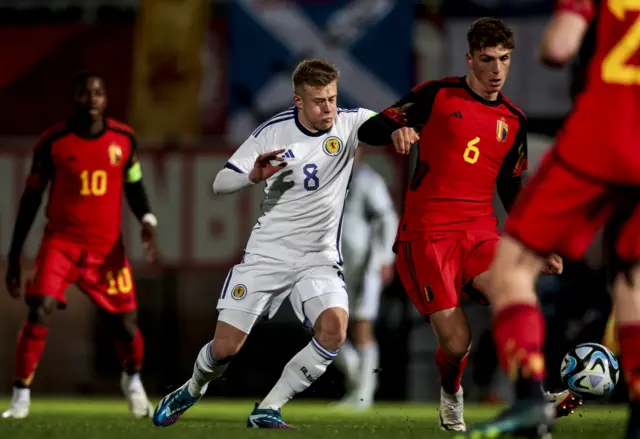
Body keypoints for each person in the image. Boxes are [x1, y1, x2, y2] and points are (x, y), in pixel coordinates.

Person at [357, 17, 576, 432]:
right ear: (470, 58)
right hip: (426, 236)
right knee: (457, 345)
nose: (497, 70)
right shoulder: (437, 95)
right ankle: (451, 394)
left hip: (479, 233)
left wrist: (538, 242)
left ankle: (533, 392)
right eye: (487, 59)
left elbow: (512, 188)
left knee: (517, 293)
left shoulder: (514, 120)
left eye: (505, 60)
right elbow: (371, 129)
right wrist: (399, 130)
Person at [152, 58, 376, 429]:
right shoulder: (272, 133)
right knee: (225, 349)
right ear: (298, 101)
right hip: (267, 255)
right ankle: (191, 390)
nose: (328, 109)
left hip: (318, 259)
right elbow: (220, 182)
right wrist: (253, 174)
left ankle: (268, 407)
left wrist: (401, 130)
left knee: (334, 331)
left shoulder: (350, 122)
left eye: (332, 99)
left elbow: (388, 122)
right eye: (319, 101)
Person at [460, 1, 640, 437]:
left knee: (511, 269)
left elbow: (559, 47)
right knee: (632, 280)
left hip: (601, 135)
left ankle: (528, 399)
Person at [2, 72, 158, 420]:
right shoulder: (53, 142)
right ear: (74, 98)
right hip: (61, 244)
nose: (92, 98)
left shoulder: (124, 139)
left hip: (106, 250)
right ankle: (20, 395)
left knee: (126, 326)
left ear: (106, 99)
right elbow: (30, 200)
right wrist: (14, 255)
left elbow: (133, 183)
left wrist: (147, 218)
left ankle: (132, 380)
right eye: (85, 93)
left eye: (98, 92)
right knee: (38, 306)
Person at [333, 148, 398, 410]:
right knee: (321, 322)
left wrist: (384, 258)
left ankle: (363, 393)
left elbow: (388, 218)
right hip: (332, 262)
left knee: (361, 326)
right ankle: (356, 375)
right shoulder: (326, 181)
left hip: (365, 263)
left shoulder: (368, 181)